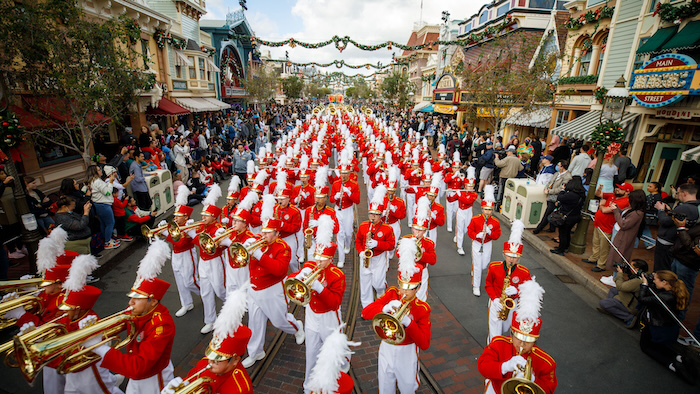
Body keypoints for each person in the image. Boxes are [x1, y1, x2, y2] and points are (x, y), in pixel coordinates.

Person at [88, 240, 175, 394]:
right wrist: (92, 329)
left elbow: (139, 366)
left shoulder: (162, 325)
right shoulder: (139, 311)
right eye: (131, 297)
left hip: (153, 377)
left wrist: (100, 348)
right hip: (136, 374)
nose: (130, 302)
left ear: (153, 301)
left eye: (137, 298)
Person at [288, 217, 346, 394]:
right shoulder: (311, 265)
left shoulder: (337, 275)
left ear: (330, 258)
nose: (318, 263)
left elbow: (334, 303)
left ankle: (340, 372)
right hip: (311, 314)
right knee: (311, 350)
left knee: (332, 349)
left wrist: (320, 288)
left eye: (322, 260)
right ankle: (309, 385)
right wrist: (299, 276)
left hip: (329, 317)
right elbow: (292, 282)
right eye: (317, 258)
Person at [360, 252, 431, 394]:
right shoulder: (392, 293)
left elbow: (424, 343)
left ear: (418, 288)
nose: (403, 292)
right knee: (385, 386)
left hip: (407, 352)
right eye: (401, 286)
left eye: (408, 288)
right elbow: (365, 312)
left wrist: (408, 323)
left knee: (408, 388)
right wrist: (384, 308)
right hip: (387, 346)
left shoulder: (422, 309)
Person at [162, 286, 253, 394]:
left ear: (235, 360)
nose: (210, 362)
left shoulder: (241, 389)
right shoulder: (206, 363)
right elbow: (192, 378)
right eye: (211, 355)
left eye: (217, 360)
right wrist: (181, 387)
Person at [243, 217, 305, 369]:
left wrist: (259, 255)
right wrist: (245, 247)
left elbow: (279, 270)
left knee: (279, 321)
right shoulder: (257, 239)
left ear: (277, 233)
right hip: (254, 288)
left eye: (268, 233)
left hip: (273, 289)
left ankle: (297, 327)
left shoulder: (283, 247)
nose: (263, 235)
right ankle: (255, 352)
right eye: (263, 231)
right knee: (254, 322)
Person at [478, 279, 557, 394]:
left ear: (535, 340)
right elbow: (482, 367)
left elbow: (549, 390)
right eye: (519, 339)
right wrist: (505, 367)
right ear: (512, 335)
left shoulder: (546, 362)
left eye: (528, 341)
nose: (522, 345)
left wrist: (534, 380)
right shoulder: (498, 344)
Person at [58, 255, 122, 394]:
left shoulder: (91, 320)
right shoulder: (68, 318)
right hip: (72, 372)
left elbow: (86, 351)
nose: (64, 312)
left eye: (68, 308)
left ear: (78, 309)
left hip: (90, 372)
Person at [638, 270, 695, 383]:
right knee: (658, 347)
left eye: (656, 279)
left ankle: (671, 365)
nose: (654, 280)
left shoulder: (663, 297)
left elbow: (642, 299)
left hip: (659, 328)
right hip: (671, 328)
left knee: (646, 347)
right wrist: (653, 281)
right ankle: (680, 358)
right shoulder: (675, 292)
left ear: (664, 282)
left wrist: (644, 284)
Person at [485, 220, 531, 342]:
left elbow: (529, 293)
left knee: (511, 330)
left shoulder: (524, 272)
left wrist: (517, 291)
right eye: (509, 256)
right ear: (504, 254)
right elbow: (488, 284)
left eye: (515, 257)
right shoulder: (494, 266)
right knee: (495, 331)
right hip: (496, 301)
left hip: (513, 304)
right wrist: (494, 299)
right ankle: (492, 350)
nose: (511, 259)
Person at [159, 185, 200, 318]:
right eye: (175, 216)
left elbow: (180, 241)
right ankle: (186, 303)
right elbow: (170, 238)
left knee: (190, 280)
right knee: (180, 280)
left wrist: (166, 232)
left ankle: (206, 293)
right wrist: (162, 230)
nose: (175, 218)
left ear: (186, 217)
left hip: (187, 254)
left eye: (178, 216)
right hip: (176, 255)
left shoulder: (190, 226)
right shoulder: (175, 226)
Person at [190, 185, 227, 334]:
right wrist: (188, 229)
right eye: (203, 215)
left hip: (215, 261)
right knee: (205, 291)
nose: (202, 218)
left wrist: (193, 234)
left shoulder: (218, 228)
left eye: (206, 215)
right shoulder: (202, 226)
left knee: (220, 290)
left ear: (213, 216)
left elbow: (209, 245)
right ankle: (210, 320)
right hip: (203, 262)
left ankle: (232, 310)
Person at [355, 185, 396, 308]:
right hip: (365, 258)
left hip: (378, 258)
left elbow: (391, 245)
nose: (372, 217)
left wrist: (378, 244)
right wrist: (361, 252)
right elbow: (357, 241)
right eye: (370, 214)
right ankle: (367, 306)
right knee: (365, 282)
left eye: (375, 214)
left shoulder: (387, 229)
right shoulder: (363, 226)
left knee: (378, 283)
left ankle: (380, 295)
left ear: (380, 215)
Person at [583, 183, 631, 272]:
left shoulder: (624, 201)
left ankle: (601, 265)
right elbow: (598, 194)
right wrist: (599, 189)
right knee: (596, 243)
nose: (617, 189)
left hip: (607, 227)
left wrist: (601, 205)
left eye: (621, 189)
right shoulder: (612, 195)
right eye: (618, 187)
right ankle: (594, 258)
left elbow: (605, 210)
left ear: (627, 192)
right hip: (598, 224)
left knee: (604, 247)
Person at [468, 185, 501, 297]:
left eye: (490, 210)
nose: (487, 212)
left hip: (487, 244)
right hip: (477, 243)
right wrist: (477, 235)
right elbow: (469, 232)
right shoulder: (475, 219)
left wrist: (490, 233)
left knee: (484, 264)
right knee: (478, 266)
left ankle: (474, 267)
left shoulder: (495, 222)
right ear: (482, 209)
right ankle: (476, 285)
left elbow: (497, 235)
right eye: (486, 209)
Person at [603, 189, 645, 273]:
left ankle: (616, 277)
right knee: (614, 253)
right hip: (618, 233)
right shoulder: (631, 208)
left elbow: (624, 224)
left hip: (623, 237)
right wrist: (616, 208)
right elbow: (622, 213)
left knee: (618, 256)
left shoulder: (637, 213)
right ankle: (613, 276)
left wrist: (615, 211)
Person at [598, 259, 648, 328]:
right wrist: (628, 271)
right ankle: (612, 308)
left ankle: (629, 317)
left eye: (631, 266)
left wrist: (620, 273)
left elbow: (620, 287)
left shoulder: (638, 281)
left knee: (603, 303)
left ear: (637, 269)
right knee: (613, 290)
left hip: (630, 305)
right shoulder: (641, 277)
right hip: (629, 297)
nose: (629, 267)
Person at [330, 164, 360, 269]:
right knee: (340, 234)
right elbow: (331, 199)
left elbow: (357, 200)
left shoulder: (354, 184)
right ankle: (341, 259)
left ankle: (348, 245)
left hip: (348, 210)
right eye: (342, 173)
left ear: (349, 173)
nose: (344, 175)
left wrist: (349, 193)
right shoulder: (335, 184)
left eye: (346, 173)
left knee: (348, 233)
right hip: (338, 210)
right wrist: (336, 196)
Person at [533, 160, 572, 234]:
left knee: (547, 212)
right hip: (550, 195)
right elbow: (550, 182)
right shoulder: (557, 173)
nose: (557, 166)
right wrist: (546, 188)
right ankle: (552, 227)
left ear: (562, 167)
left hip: (556, 197)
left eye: (558, 165)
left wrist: (550, 191)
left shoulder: (567, 177)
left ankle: (539, 228)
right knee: (550, 212)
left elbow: (561, 188)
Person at [551, 176, 585, 255]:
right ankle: (565, 247)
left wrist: (562, 189)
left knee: (562, 233)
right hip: (575, 216)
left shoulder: (571, 195)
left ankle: (561, 249)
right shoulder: (581, 194)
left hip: (566, 216)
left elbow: (560, 197)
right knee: (567, 232)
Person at [88, 165, 119, 250]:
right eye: (98, 170)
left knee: (103, 223)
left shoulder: (92, 181)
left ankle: (105, 239)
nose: (101, 171)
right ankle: (107, 242)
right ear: (95, 172)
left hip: (99, 204)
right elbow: (108, 192)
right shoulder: (98, 182)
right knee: (110, 223)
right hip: (103, 205)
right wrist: (111, 182)